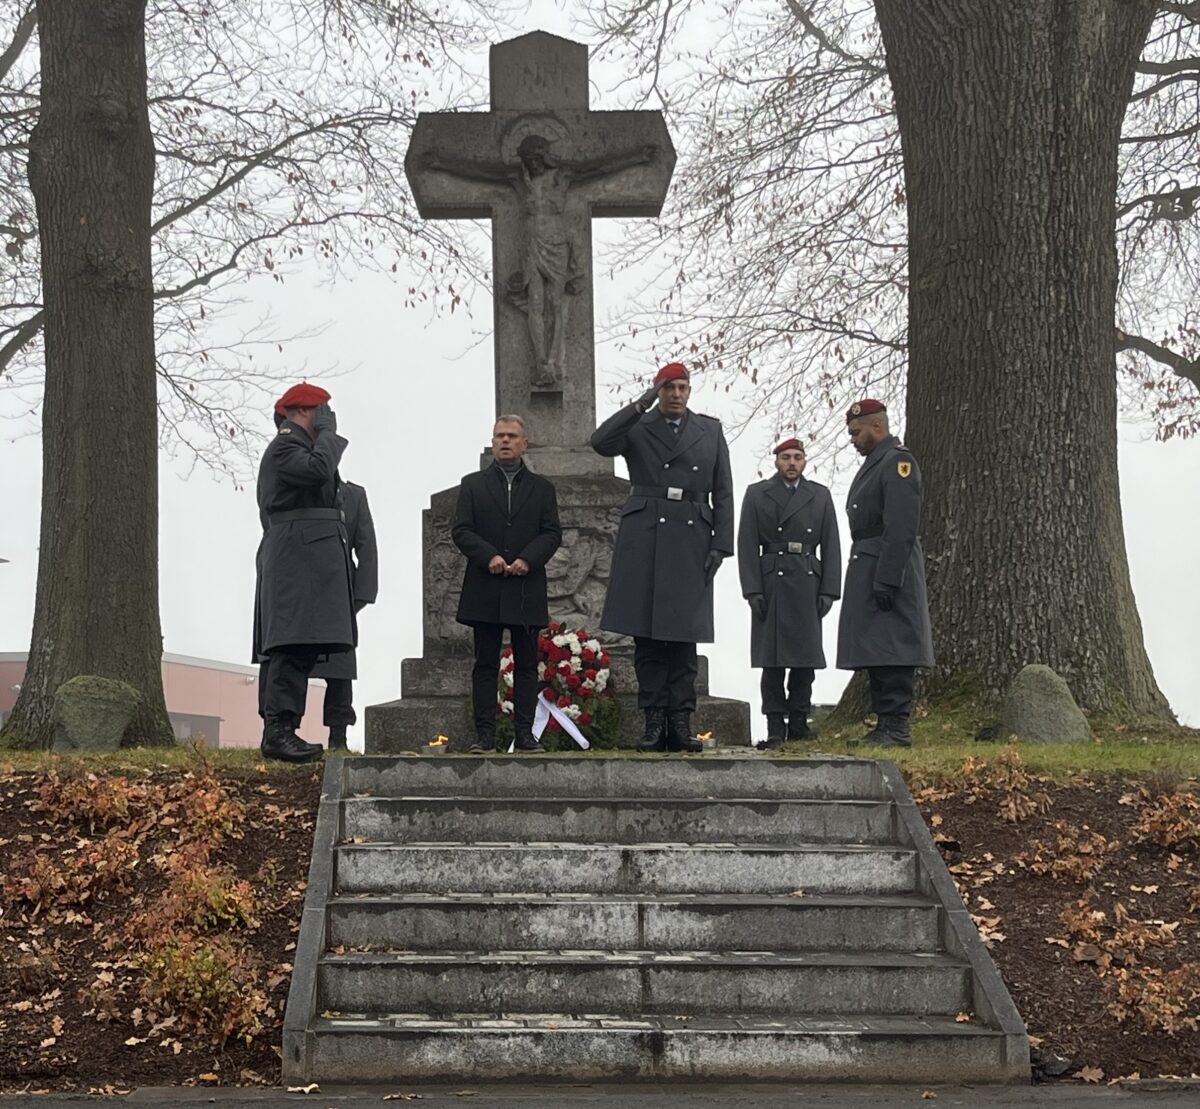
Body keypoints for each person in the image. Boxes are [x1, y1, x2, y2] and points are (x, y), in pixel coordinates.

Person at [591, 361, 734, 754]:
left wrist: (722, 543)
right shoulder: (638, 425)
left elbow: (723, 490)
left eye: (682, 387)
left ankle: (681, 721)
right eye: (668, 388)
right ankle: (654, 720)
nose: (676, 395)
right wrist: (639, 405)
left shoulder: (710, 429)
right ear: (657, 391)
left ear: (690, 391)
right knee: (649, 640)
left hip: (692, 538)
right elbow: (600, 442)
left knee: (684, 641)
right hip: (646, 537)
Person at [252, 383, 355, 763]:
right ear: (303, 412)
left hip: (307, 560)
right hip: (296, 560)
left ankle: (285, 729)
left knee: (302, 646)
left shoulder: (299, 446)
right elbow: (316, 471)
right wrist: (328, 436)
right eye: (322, 411)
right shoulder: (284, 447)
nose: (327, 417)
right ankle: (278, 731)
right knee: (289, 645)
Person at [452, 415, 562, 753]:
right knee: (485, 664)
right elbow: (462, 530)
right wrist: (489, 556)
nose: (505, 441)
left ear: (524, 443)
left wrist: (528, 559)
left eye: (512, 436)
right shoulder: (472, 485)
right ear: (492, 441)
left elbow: (551, 533)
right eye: (500, 436)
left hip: (525, 587)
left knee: (527, 664)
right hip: (486, 586)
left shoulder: (542, 488)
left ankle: (525, 734)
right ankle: (484, 735)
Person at [837, 399, 934, 747]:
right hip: (869, 561)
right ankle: (884, 724)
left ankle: (896, 727)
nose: (853, 439)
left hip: (887, 563)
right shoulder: (877, 464)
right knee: (877, 648)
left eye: (856, 431)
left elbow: (901, 526)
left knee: (894, 648)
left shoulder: (898, 463)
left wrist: (888, 577)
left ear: (876, 426)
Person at [737, 437, 841, 747]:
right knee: (772, 662)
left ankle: (799, 722)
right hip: (772, 583)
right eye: (785, 457)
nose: (791, 463)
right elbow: (746, 545)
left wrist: (830, 590)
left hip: (808, 581)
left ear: (805, 461)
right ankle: (773, 727)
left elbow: (832, 546)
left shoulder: (819, 496)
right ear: (776, 461)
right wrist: (752, 589)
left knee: (805, 660)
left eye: (797, 457)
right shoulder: (757, 494)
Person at [310, 480, 378, 750]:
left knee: (340, 669)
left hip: (339, 592)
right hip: (295, 588)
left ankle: (338, 736)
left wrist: (359, 597)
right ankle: (281, 729)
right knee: (285, 664)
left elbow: (367, 549)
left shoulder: (353, 495)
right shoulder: (293, 488)